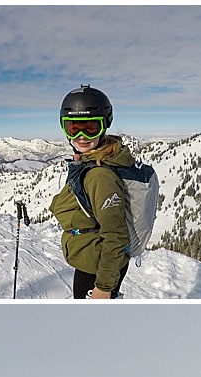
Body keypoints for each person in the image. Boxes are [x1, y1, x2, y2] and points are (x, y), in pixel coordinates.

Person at [50, 84, 133, 300]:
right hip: (90, 259)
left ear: (105, 125)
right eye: (73, 128)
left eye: (91, 128)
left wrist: (104, 287)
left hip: (97, 268)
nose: (81, 136)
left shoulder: (100, 176)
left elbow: (116, 235)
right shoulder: (90, 161)